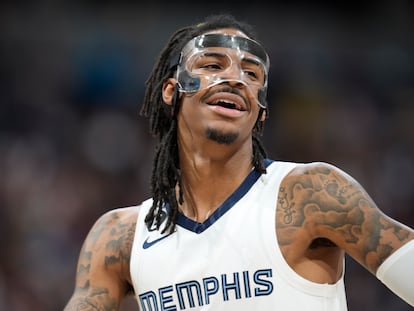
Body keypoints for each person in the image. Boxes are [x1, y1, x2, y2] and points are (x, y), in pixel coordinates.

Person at [64, 14, 414, 310]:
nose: (234, 79)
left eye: (251, 73)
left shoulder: (312, 195)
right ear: (171, 91)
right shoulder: (119, 238)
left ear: (261, 110)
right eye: (213, 64)